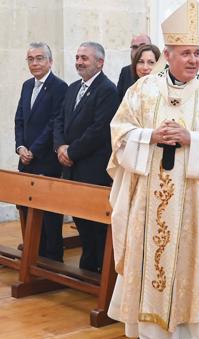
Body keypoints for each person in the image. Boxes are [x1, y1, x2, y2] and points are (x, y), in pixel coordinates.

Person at [106, 0, 199, 339]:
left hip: (193, 205)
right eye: (186, 53)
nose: (194, 59)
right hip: (149, 200)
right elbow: (119, 132)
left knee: (188, 269)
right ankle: (146, 334)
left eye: (197, 52)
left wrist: (193, 139)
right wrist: (150, 136)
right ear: (167, 54)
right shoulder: (143, 90)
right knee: (147, 259)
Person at [53, 41, 119, 272]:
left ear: (100, 62)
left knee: (94, 222)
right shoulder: (72, 88)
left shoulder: (108, 90)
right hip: (71, 166)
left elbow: (99, 130)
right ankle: (89, 263)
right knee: (80, 219)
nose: (79, 62)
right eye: (78, 57)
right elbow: (59, 119)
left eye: (85, 58)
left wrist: (71, 151)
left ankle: (100, 267)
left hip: (92, 167)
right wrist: (60, 146)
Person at [14, 42, 67, 262]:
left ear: (50, 61)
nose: (34, 63)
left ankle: (52, 258)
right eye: (30, 59)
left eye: (39, 58)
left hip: (46, 161)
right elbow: (19, 119)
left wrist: (33, 150)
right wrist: (20, 148)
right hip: (26, 160)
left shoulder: (59, 87)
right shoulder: (27, 85)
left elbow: (54, 124)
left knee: (49, 215)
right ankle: (33, 254)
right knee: (27, 210)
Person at [117, 34, 151, 100]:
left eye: (143, 46)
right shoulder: (126, 71)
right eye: (135, 47)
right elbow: (119, 101)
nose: (139, 49)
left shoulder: (164, 71)